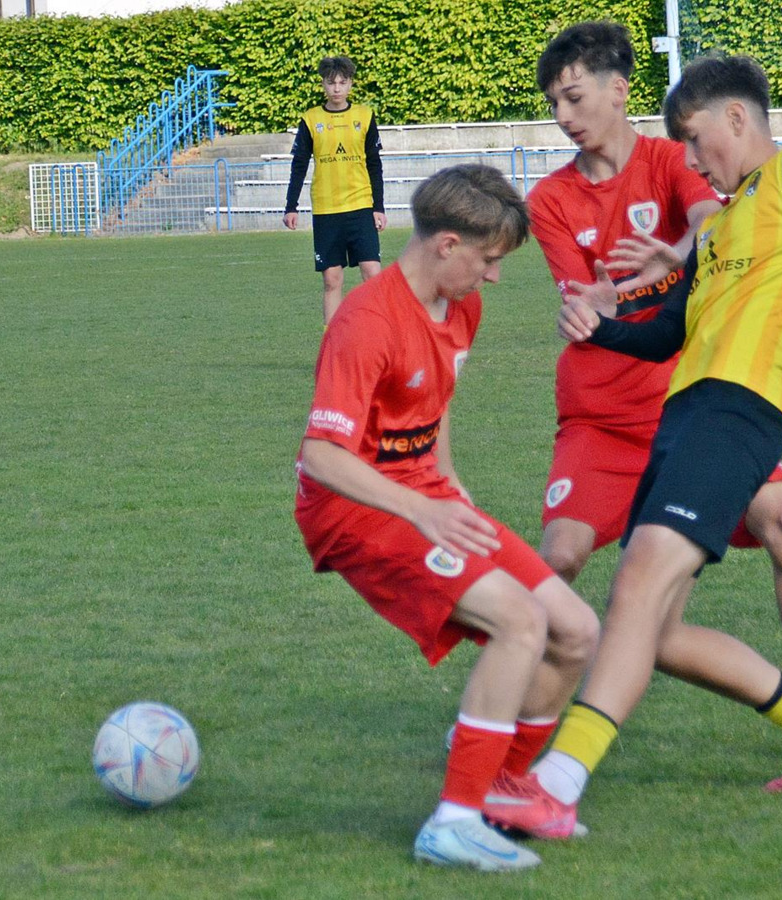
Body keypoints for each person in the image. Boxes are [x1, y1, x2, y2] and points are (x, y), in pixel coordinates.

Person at [482, 55, 782, 836]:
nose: (693, 158)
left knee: (640, 584)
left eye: (697, 138)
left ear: (736, 118)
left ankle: (556, 786)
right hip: (682, 417)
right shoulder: (724, 227)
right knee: (656, 631)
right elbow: (666, 333)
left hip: (741, 410)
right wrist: (598, 326)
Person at [293, 165, 599, 871]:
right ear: (447, 243)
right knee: (519, 622)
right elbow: (320, 455)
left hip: (425, 497)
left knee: (575, 630)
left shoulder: (461, 308)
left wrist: (449, 485)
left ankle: (500, 789)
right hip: (353, 510)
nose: (494, 276)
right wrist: (420, 508)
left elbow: (434, 403)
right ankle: (453, 824)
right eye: (488, 260)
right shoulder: (366, 321)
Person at [283, 56, 388, 325]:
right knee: (332, 279)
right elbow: (299, 165)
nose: (337, 88)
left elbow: (374, 164)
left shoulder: (364, 116)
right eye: (332, 83)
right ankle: (332, 343)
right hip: (327, 209)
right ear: (323, 85)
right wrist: (291, 206)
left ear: (351, 84)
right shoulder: (311, 119)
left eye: (342, 82)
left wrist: (378, 207)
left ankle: (378, 336)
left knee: (372, 273)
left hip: (360, 206)